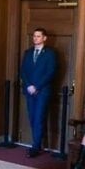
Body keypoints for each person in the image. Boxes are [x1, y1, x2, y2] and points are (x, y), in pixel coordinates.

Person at [20, 27, 57, 158]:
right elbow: (23, 71)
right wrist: (29, 85)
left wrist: (37, 86)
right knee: (32, 117)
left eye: (38, 36)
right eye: (34, 36)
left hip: (42, 91)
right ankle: (38, 143)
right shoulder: (28, 52)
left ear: (44, 38)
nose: (35, 38)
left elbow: (50, 72)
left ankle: (35, 146)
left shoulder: (50, 53)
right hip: (29, 90)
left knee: (39, 117)